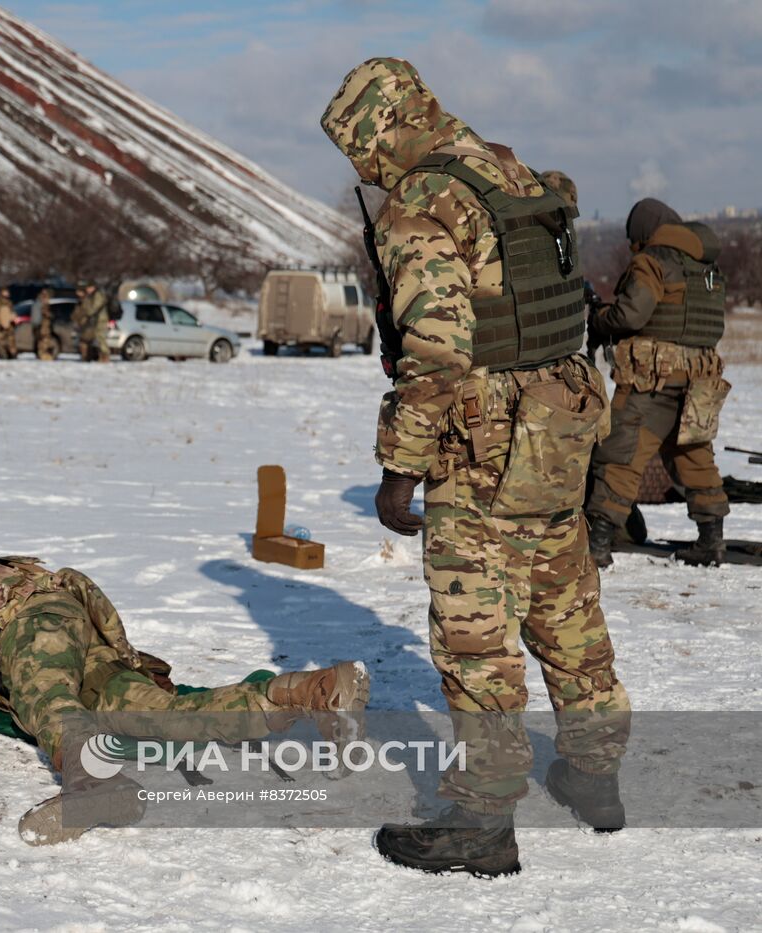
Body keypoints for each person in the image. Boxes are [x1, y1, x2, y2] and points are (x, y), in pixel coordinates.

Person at [321, 58, 630, 876]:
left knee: (476, 633)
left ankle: (483, 819)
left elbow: (435, 350)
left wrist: (400, 467)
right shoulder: (506, 171)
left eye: (362, 151)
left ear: (383, 128)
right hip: (561, 423)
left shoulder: (421, 204)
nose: (367, 172)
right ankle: (595, 774)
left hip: (484, 445)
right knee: (566, 606)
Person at [0, 481, 371, 846]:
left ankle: (95, 786)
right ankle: (311, 690)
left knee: (44, 697)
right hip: (67, 617)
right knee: (157, 714)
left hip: (32, 622)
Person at [585, 199, 731, 568]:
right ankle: (711, 541)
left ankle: (598, 543)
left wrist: (600, 318)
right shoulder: (704, 264)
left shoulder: (652, 260)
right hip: (700, 378)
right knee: (695, 455)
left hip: (652, 380)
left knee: (620, 455)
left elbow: (632, 314)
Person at [72, 283, 111, 362]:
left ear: (92, 287)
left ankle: (105, 356)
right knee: (91, 339)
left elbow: (93, 308)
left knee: (100, 338)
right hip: (93, 321)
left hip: (100, 320)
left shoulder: (97, 295)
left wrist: (87, 313)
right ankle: (93, 356)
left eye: (88, 288)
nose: (87, 290)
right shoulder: (90, 296)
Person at [34, 288, 59, 361]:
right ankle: (43, 355)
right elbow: (45, 313)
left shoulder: (39, 303)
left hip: (44, 326)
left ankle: (43, 355)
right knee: (44, 341)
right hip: (44, 327)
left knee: (43, 341)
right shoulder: (43, 305)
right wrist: (51, 315)